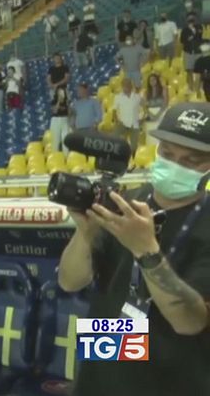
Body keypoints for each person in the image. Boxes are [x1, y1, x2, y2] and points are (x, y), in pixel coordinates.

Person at [59, 102, 210, 396]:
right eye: (168, 153)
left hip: (175, 381)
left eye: (191, 161)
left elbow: (190, 323)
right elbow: (69, 280)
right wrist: (85, 233)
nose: (175, 165)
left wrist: (146, 251)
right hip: (100, 373)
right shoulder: (122, 202)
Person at [114, 78, 144, 155]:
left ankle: (134, 158)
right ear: (122, 86)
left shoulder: (137, 97)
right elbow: (114, 110)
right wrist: (116, 120)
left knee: (134, 146)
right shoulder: (118, 97)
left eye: (128, 84)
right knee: (119, 144)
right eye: (124, 85)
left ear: (131, 85)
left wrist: (142, 118)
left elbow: (145, 108)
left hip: (134, 124)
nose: (126, 86)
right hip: (122, 124)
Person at [181, 13, 203, 94]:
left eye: (192, 18)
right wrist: (188, 39)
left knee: (200, 70)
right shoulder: (184, 30)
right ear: (187, 20)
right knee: (189, 70)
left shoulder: (199, 27)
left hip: (198, 52)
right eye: (189, 19)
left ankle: (200, 87)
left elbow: (199, 35)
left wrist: (193, 32)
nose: (191, 20)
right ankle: (191, 87)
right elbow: (182, 40)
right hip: (188, 52)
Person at [50, 86, 71, 153]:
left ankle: (66, 155)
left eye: (62, 92)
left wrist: (68, 104)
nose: (61, 93)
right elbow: (54, 111)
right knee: (55, 140)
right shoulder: (54, 101)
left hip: (65, 119)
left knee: (65, 139)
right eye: (59, 92)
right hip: (56, 120)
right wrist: (59, 101)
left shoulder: (67, 102)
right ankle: (54, 155)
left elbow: (69, 113)